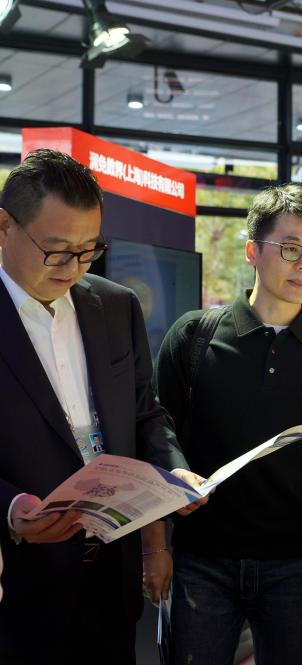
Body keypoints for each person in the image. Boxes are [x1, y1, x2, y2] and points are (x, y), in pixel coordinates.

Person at [153, 184, 302, 665]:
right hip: (202, 561)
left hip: (297, 564)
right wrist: (155, 549)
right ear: (253, 251)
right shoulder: (194, 336)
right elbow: (155, 434)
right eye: (290, 248)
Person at [0, 149, 205, 664]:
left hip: (112, 578)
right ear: (4, 227)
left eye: (88, 250)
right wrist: (10, 506)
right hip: (21, 585)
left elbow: (144, 412)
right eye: (56, 251)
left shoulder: (115, 305)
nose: (73, 267)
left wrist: (174, 469)